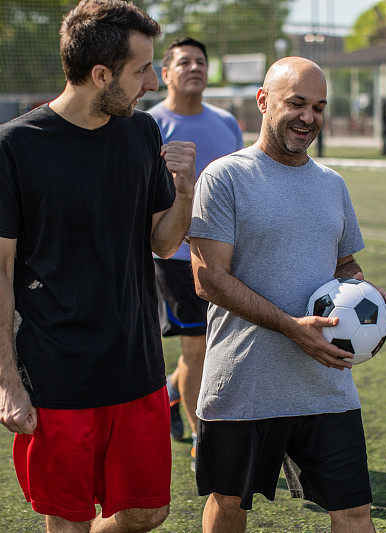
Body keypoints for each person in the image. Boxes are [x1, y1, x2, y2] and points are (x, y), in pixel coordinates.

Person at [0, 1, 197, 532]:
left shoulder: (140, 134)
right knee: (66, 520)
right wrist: (6, 380)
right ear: (100, 75)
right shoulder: (16, 145)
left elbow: (163, 243)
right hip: (56, 372)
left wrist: (184, 192)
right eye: (142, 70)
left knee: (147, 511)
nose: (154, 82)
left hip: (136, 365)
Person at [188, 57, 386, 533]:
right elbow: (208, 278)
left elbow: (345, 265)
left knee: (355, 510)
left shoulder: (331, 184)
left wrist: (365, 294)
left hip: (326, 384)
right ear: (264, 101)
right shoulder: (225, 177)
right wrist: (291, 329)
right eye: (296, 103)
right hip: (245, 383)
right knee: (230, 503)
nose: (309, 117)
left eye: (319, 107)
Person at [147, 37, 244, 460]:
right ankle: (201, 440)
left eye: (201, 61)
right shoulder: (149, 125)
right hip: (176, 259)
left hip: (226, 257)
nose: (194, 68)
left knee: (225, 344)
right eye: (183, 62)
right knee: (196, 347)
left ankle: (171, 389)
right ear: (165, 73)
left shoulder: (227, 122)